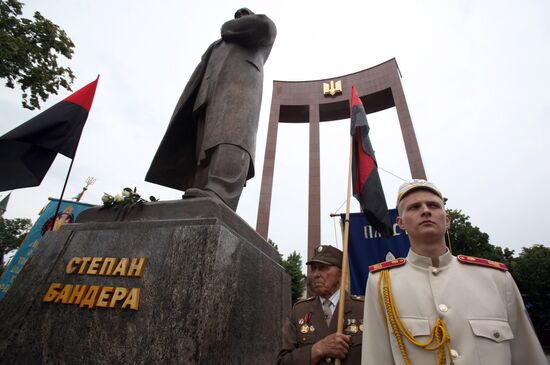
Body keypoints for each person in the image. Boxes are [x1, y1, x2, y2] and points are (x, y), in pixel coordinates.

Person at [361, 179, 547, 364]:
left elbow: (527, 354)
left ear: (447, 219)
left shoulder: (496, 278)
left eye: (433, 205)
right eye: (414, 207)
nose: (425, 210)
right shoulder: (382, 282)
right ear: (400, 224)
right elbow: (376, 357)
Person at [145, 8, 276, 211]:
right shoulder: (217, 45)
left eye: (244, 16)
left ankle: (221, 191)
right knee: (205, 145)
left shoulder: (261, 29)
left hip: (240, 86)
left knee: (232, 136)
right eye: (238, 17)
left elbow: (263, 25)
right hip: (208, 94)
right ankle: (201, 188)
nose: (239, 18)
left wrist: (229, 26)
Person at [277, 245, 364, 365]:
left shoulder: (363, 309)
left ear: (340, 273)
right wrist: (317, 350)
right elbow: (282, 362)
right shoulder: (299, 311)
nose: (315, 274)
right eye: (313, 268)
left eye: (323, 268)